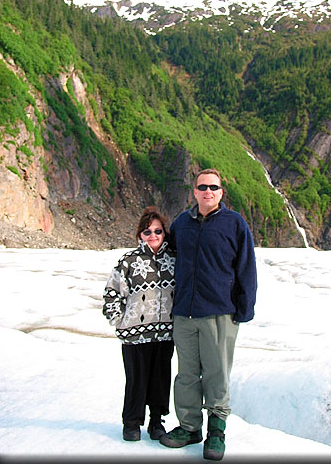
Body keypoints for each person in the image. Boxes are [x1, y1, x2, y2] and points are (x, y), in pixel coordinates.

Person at [160, 169, 258, 461]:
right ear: (195, 191)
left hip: (219, 312)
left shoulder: (234, 223)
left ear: (221, 192)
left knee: (217, 373)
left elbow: (246, 267)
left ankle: (216, 433)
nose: (208, 192)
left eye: (213, 187)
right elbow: (168, 256)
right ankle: (189, 428)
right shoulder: (182, 223)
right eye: (202, 187)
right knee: (187, 374)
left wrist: (244, 308)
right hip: (184, 313)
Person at [103, 206, 175, 442]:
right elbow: (112, 292)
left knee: (160, 378)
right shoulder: (129, 262)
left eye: (157, 231)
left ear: (164, 233)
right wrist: (119, 321)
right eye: (147, 232)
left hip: (165, 333)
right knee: (136, 379)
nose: (153, 235)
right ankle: (131, 423)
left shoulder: (174, 260)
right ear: (139, 235)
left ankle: (157, 422)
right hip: (134, 335)